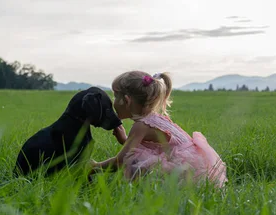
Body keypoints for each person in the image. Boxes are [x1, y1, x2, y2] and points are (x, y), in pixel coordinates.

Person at [89, 71, 227, 187]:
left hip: (186, 171)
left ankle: (146, 194)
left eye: (115, 96)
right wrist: (125, 140)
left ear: (126, 100)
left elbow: (120, 161)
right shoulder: (153, 118)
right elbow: (148, 149)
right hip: (195, 166)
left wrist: (94, 167)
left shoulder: (140, 125)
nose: (113, 102)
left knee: (135, 163)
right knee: (140, 159)